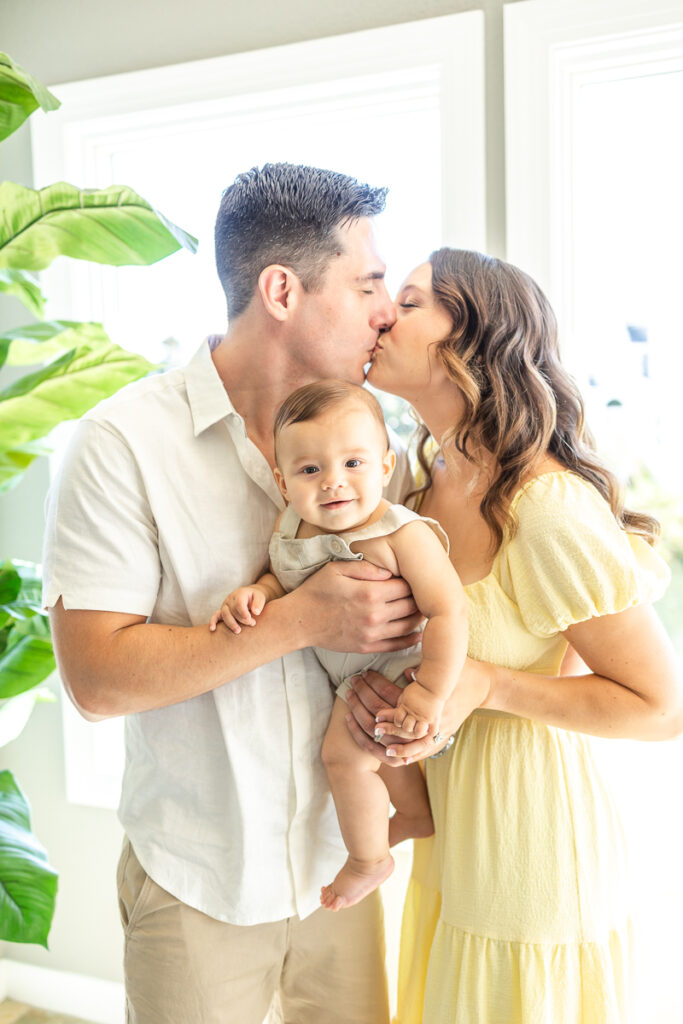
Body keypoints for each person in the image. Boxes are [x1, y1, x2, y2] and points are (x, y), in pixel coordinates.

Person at [41, 163, 424, 1024]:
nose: (384, 311)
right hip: (196, 886)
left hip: (343, 874)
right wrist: (299, 619)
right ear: (282, 289)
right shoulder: (120, 445)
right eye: (366, 284)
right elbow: (96, 681)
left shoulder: (374, 436)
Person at [344, 248, 683, 1023]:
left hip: (534, 849)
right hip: (454, 841)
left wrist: (489, 685)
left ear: (471, 341)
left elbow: (660, 709)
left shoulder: (545, 504)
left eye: (412, 300)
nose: (384, 315)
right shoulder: (418, 487)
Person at [210, 379, 468, 911]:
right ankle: (415, 816)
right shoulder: (294, 528)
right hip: (351, 677)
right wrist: (255, 594)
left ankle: (369, 860)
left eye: (354, 463)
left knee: (344, 758)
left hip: (402, 671)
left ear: (385, 467)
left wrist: (430, 693)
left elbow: (449, 610)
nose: (333, 483)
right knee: (382, 754)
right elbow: (280, 580)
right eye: (311, 470)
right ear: (283, 482)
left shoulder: (402, 535)